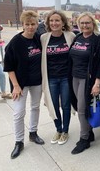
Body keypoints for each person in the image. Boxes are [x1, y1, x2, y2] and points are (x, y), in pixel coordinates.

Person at [4, 10, 45, 159]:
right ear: (23, 25)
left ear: (37, 24)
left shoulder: (38, 39)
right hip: (20, 84)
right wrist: (15, 85)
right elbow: (8, 66)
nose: (30, 27)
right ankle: (18, 142)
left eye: (33, 24)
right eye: (27, 24)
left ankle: (33, 133)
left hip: (36, 81)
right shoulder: (15, 42)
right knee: (19, 113)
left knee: (35, 107)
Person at [68, 12, 100, 154]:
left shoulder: (98, 40)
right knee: (80, 108)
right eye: (82, 23)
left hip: (88, 79)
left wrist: (97, 83)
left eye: (87, 23)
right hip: (74, 77)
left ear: (93, 24)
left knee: (82, 109)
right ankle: (89, 133)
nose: (85, 25)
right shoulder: (77, 38)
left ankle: (84, 139)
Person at [41, 10, 75, 145]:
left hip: (66, 78)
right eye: (52, 21)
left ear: (63, 22)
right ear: (48, 23)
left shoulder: (70, 36)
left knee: (66, 105)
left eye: (57, 20)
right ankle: (58, 129)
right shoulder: (44, 38)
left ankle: (65, 131)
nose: (54, 23)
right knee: (53, 106)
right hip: (51, 78)